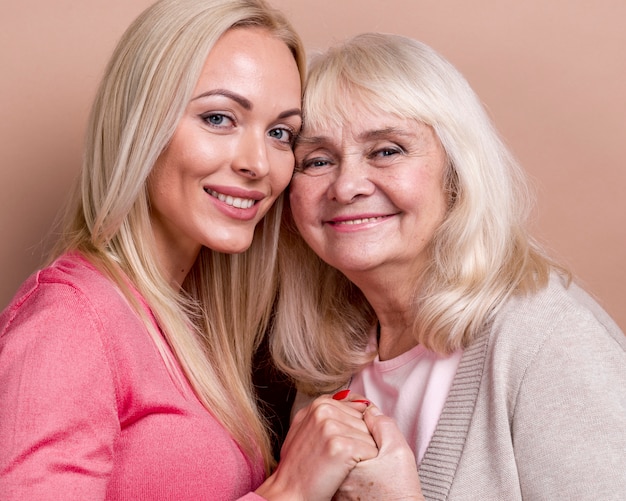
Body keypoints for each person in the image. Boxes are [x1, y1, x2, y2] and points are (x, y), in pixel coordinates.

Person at [0, 2, 383, 499]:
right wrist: (286, 493)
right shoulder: (71, 321)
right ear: (141, 127)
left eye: (280, 133)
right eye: (219, 118)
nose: (259, 164)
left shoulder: (189, 327)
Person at [271, 32, 626, 500]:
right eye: (317, 160)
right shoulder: (329, 362)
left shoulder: (550, 342)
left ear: (457, 172)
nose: (346, 186)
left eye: (386, 150)